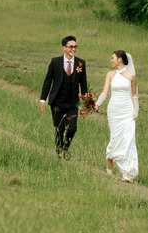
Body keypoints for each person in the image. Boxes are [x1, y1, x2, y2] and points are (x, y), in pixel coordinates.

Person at [37, 34, 91, 158]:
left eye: (75, 46)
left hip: (72, 103)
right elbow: (47, 81)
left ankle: (65, 148)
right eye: (71, 46)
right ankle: (58, 149)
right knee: (59, 128)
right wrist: (42, 99)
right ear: (64, 48)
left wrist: (85, 105)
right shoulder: (55, 62)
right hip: (57, 102)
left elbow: (83, 85)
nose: (73, 49)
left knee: (72, 128)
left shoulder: (80, 63)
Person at [96, 49, 140, 181]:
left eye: (113, 58)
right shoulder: (110, 74)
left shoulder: (132, 76)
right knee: (115, 138)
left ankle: (126, 172)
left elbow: (134, 95)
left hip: (127, 111)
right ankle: (109, 166)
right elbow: (105, 92)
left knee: (128, 139)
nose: (111, 60)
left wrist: (135, 110)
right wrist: (96, 104)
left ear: (120, 59)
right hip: (114, 110)